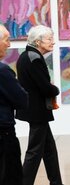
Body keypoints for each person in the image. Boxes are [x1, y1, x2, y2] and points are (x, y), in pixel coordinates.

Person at [16, 25, 63, 185]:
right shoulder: (33, 57)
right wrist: (55, 89)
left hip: (35, 111)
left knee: (49, 149)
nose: (53, 42)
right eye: (49, 39)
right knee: (35, 151)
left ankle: (56, 182)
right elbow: (44, 86)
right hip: (37, 112)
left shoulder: (28, 55)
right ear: (38, 41)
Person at [0, 24, 28, 185]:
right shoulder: (3, 72)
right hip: (4, 138)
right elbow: (22, 100)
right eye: (6, 39)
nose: (9, 44)